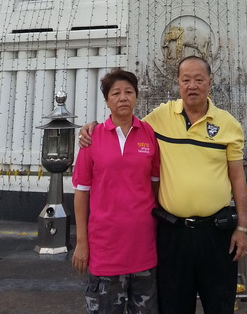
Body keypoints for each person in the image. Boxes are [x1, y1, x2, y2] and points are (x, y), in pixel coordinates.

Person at [79, 56, 247, 314]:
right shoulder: (160, 118)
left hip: (216, 233)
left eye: (199, 79)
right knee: (173, 306)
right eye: (186, 80)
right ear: (178, 83)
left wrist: (243, 228)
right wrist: (91, 128)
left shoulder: (229, 125)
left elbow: (238, 177)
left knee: (220, 305)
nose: (192, 85)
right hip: (174, 235)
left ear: (209, 82)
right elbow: (124, 122)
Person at [72, 69, 160, 314]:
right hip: (105, 249)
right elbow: (82, 193)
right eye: (116, 93)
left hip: (143, 247)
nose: (123, 98)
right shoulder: (92, 138)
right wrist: (81, 243)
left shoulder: (149, 134)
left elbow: (155, 184)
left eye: (129, 92)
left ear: (136, 96)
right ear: (107, 100)